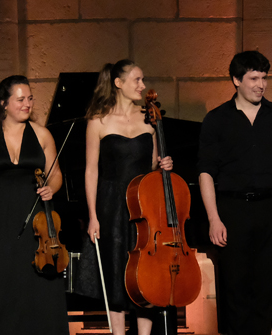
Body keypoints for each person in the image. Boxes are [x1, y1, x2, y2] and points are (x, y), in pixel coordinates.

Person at [198, 50, 272, 335]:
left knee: (265, 287)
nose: (261, 84)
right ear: (236, 80)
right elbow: (205, 171)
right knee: (234, 287)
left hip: (270, 209)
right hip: (232, 211)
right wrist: (213, 218)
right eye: (254, 78)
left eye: (264, 78)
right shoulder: (217, 119)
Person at [71, 59, 174, 335]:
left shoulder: (149, 118)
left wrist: (164, 164)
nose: (142, 86)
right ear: (118, 83)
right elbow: (91, 170)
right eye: (137, 80)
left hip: (144, 204)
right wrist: (92, 216)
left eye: (142, 80)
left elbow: (152, 165)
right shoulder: (98, 120)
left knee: (145, 272)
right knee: (116, 271)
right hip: (112, 204)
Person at [0, 75, 68, 334]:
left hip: (37, 221)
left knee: (37, 288)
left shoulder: (42, 134)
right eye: (20, 99)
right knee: (1, 284)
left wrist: (50, 189)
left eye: (30, 98)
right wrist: (0, 191)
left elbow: (55, 174)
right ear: (4, 103)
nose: (27, 104)